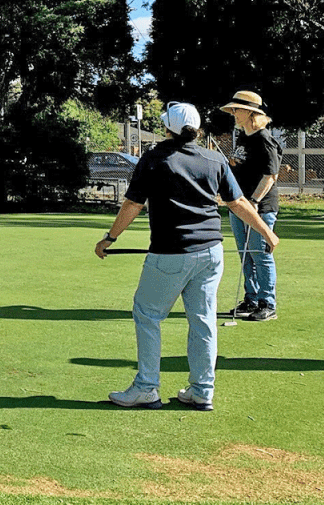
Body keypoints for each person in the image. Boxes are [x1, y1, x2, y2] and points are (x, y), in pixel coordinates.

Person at [95, 103, 279, 411]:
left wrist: (109, 238)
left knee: (148, 314)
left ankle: (146, 387)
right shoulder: (213, 158)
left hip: (170, 252)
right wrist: (267, 232)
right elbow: (237, 202)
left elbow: (132, 205)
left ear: (167, 128)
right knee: (203, 320)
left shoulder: (154, 158)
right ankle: (201, 390)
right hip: (210, 253)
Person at [221, 90, 281, 322]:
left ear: (251, 112)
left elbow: (271, 175)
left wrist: (254, 201)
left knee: (260, 254)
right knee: (246, 254)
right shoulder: (244, 137)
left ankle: (268, 304)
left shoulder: (264, 139)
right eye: (233, 109)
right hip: (239, 206)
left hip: (260, 206)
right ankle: (252, 299)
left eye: (238, 109)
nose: (234, 113)